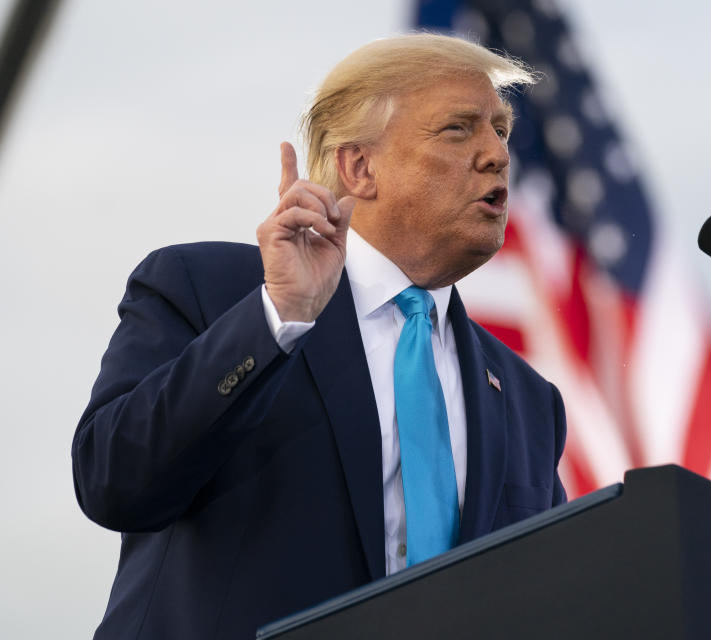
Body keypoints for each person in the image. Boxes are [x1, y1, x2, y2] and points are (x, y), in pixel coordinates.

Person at [72, 34, 566, 640]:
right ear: (360, 167)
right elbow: (113, 481)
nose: (497, 154)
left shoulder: (527, 398)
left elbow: (551, 591)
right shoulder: (207, 290)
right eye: (459, 130)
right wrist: (279, 316)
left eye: (502, 130)